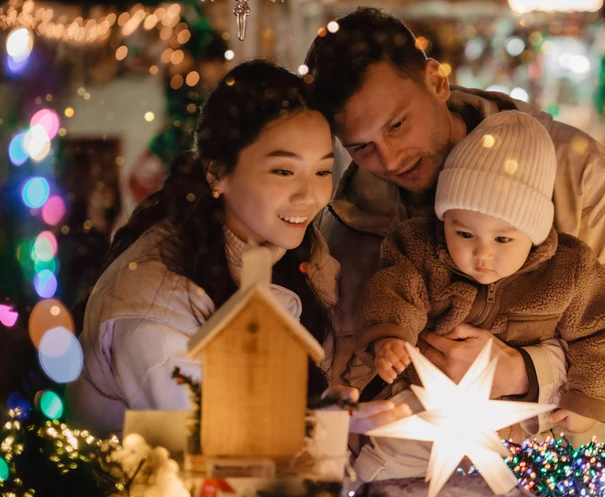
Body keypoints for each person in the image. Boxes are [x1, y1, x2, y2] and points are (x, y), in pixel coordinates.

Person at [305, 7, 605, 446]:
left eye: (397, 125)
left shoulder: (573, 168)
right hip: (404, 471)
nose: (390, 159)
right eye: (361, 146)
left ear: (436, 81)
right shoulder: (345, 211)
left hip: (563, 467)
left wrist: (526, 371)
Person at [67, 59, 410, 437]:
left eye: (322, 171)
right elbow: (203, 441)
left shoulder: (298, 254)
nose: (309, 196)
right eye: (283, 171)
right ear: (217, 173)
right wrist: (320, 427)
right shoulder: (156, 302)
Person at [352, 112, 605, 479]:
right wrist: (390, 337)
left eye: (502, 239)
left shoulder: (569, 271)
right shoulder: (421, 250)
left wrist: (587, 400)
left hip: (518, 427)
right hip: (424, 410)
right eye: (465, 234)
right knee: (382, 472)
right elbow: (392, 290)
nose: (482, 254)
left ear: (533, 232)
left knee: (514, 493)